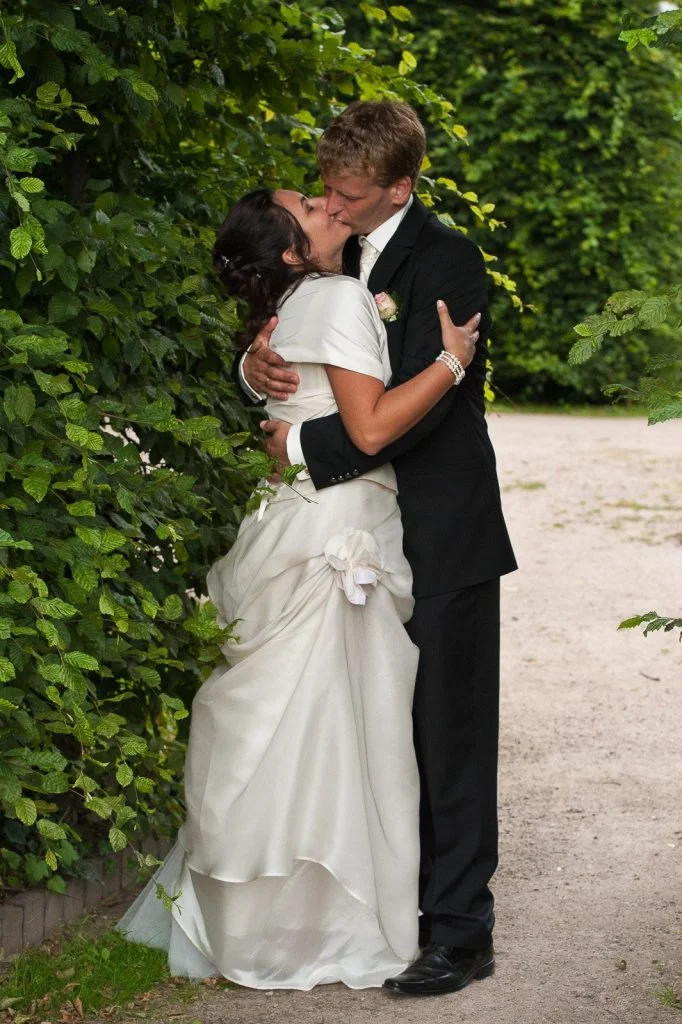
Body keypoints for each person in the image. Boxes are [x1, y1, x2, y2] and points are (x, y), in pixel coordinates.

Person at [118, 185, 481, 990]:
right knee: (346, 728)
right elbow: (372, 429)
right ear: (290, 251)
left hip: (301, 514)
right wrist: (454, 360)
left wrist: (256, 372)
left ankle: (262, 923)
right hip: (341, 525)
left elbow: (301, 387)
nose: (326, 201)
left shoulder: (291, 307)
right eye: (310, 205)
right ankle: (338, 924)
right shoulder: (341, 293)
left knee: (301, 725)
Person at [237, 101, 517, 997]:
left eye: (351, 192)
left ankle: (460, 930)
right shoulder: (320, 247)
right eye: (326, 187)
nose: (334, 203)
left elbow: (409, 403)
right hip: (358, 525)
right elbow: (298, 359)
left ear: (400, 185)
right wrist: (254, 374)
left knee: (449, 723)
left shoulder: (447, 260)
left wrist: (301, 449)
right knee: (370, 726)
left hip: (439, 523)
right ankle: (383, 908)